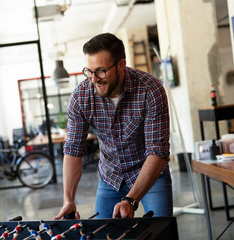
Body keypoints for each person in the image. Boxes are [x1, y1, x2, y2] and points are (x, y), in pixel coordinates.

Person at [54, 33, 172, 220]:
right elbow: (73, 150)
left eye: (101, 71)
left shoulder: (150, 89)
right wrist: (68, 199)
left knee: (162, 231)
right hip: (110, 177)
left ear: (121, 65)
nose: (94, 79)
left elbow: (157, 151)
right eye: (89, 71)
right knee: (102, 233)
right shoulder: (81, 97)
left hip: (151, 175)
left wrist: (131, 200)